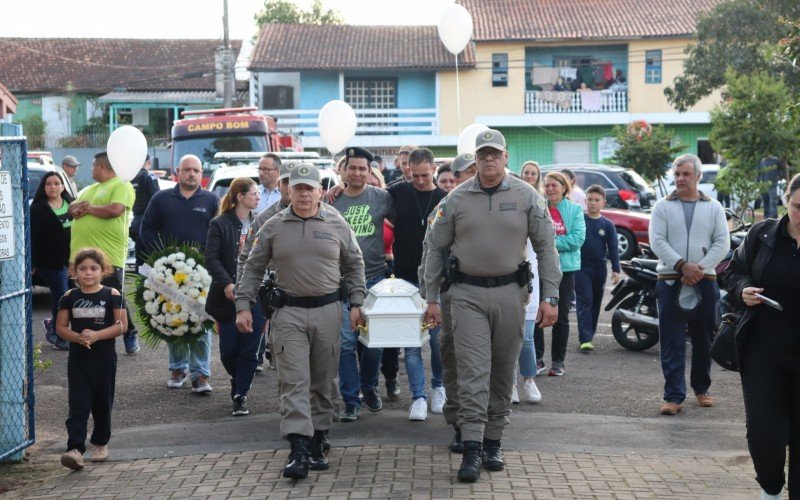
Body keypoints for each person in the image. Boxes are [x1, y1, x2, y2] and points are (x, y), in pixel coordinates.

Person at [423, 129, 561, 483]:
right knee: (471, 369)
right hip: (465, 294)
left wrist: (550, 296)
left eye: (494, 154)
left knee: (502, 368)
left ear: (505, 157)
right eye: (482, 154)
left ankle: (493, 442)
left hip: (510, 294)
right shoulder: (455, 200)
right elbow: (435, 249)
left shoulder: (527, 196)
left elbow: (546, 248)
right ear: (475, 158)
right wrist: (431, 298)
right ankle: (470, 447)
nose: (488, 159)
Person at [235, 163, 366, 480]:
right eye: (299, 188)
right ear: (288, 190)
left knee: (322, 381)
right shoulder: (273, 225)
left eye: (311, 188)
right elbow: (252, 267)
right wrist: (242, 305)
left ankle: (320, 436)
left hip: (328, 310)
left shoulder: (336, 222)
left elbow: (355, 263)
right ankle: (298, 448)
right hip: (288, 313)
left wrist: (357, 302)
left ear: (320, 192)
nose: (305, 193)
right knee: (293, 381)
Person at [725, 173, 800, 499]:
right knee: (763, 433)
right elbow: (733, 272)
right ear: (787, 200)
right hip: (764, 351)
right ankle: (770, 490)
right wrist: (744, 290)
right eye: (798, 206)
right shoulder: (763, 234)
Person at [648, 154, 729, 415]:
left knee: (704, 339)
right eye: (677, 174)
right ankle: (673, 396)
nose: (681, 178)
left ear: (698, 176)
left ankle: (702, 389)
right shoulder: (662, 207)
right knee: (671, 341)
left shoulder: (714, 207)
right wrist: (683, 266)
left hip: (705, 281)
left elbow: (722, 243)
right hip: (670, 281)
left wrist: (699, 268)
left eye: (686, 174)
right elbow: (657, 241)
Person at [140, 154, 220, 394]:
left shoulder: (211, 200)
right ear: (177, 171)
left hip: (202, 276)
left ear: (201, 173)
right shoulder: (162, 198)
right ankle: (177, 369)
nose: (192, 174)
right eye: (187, 170)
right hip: (169, 275)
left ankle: (200, 375)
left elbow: (218, 233)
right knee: (173, 318)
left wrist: (205, 256)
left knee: (200, 321)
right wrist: (163, 254)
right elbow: (146, 229)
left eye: (196, 170)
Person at [418, 152, 478, 453]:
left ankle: (484, 426)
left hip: (488, 293)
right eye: (464, 173)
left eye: (473, 170)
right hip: (453, 294)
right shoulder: (444, 208)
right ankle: (459, 423)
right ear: (454, 178)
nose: (470, 176)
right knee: (453, 358)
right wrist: (430, 297)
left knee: (485, 362)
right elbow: (430, 252)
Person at [384, 147, 447, 420]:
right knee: (410, 343)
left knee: (436, 341)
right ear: (407, 168)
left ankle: (439, 387)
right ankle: (418, 397)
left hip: (437, 280)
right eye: (414, 175)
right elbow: (368, 195)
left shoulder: (446, 199)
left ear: (434, 169)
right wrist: (338, 189)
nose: (419, 180)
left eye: (424, 175)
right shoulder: (397, 192)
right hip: (405, 278)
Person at [332, 147, 394, 422]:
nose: (356, 173)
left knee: (374, 343)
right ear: (342, 170)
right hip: (341, 282)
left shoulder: (382, 198)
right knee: (346, 344)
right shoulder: (330, 201)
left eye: (362, 169)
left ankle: (368, 386)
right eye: (352, 168)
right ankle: (351, 399)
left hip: (376, 278)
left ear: (370, 172)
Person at [55, 248, 127, 470]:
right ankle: (75, 449)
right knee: (78, 404)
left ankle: (100, 442)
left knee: (102, 402)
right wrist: (77, 338)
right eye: (82, 269)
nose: (88, 273)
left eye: (93, 268)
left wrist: (96, 335)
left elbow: (121, 326)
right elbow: (60, 327)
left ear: (103, 270)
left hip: (104, 358)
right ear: (73, 271)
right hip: (78, 359)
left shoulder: (112, 295)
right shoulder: (69, 297)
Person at [68, 151, 138, 355]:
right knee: (84, 300)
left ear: (101, 166)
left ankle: (129, 332)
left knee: (113, 299)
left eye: (92, 165)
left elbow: (115, 210)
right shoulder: (89, 189)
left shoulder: (121, 185)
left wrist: (89, 209)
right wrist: (76, 208)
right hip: (80, 257)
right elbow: (72, 207)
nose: (90, 169)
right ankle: (88, 337)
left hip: (107, 256)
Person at [205, 177, 265, 416]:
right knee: (229, 350)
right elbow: (211, 258)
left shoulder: (260, 223)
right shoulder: (219, 224)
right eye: (253, 194)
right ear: (240, 197)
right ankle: (236, 377)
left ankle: (241, 393)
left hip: (256, 295)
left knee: (249, 348)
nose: (258, 198)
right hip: (226, 297)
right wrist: (227, 282)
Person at [236, 161, 297, 372]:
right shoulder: (264, 219)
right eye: (286, 182)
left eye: (296, 183)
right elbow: (246, 260)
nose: (291, 188)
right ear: (279, 184)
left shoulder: (324, 215)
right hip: (279, 296)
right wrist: (243, 301)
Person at [534, 171, 585, 376]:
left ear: (564, 187)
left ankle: (558, 361)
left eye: (554, 185)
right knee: (536, 314)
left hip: (565, 269)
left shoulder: (574, 209)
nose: (550, 189)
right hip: (539, 269)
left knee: (561, 316)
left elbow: (577, 239)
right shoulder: (538, 208)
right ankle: (537, 358)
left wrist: (549, 244)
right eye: (547, 185)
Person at [30, 171, 73, 351]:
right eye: (49, 183)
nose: (53, 187)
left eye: (57, 183)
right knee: (62, 294)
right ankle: (58, 333)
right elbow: (31, 237)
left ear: (63, 186)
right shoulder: (37, 208)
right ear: (44, 187)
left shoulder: (72, 204)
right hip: (48, 261)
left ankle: (54, 324)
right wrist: (31, 262)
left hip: (71, 260)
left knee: (71, 296)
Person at [575, 185, 620, 351]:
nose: (593, 203)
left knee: (595, 302)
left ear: (603, 202)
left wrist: (616, 269)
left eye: (597, 200)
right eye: (590, 200)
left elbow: (613, 247)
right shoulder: (579, 219)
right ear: (585, 201)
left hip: (599, 269)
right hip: (580, 268)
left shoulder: (607, 224)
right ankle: (585, 338)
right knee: (585, 301)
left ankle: (590, 333)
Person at [514, 160, 544, 402]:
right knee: (502, 338)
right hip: (501, 281)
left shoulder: (535, 208)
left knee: (526, 337)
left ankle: (529, 379)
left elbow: (546, 248)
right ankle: (509, 382)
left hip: (529, 279)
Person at [130, 154, 160, 269]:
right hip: (148, 222)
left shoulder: (131, 179)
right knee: (151, 257)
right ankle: (149, 283)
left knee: (140, 257)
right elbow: (158, 198)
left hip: (135, 222)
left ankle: (141, 281)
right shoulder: (148, 177)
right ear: (149, 163)